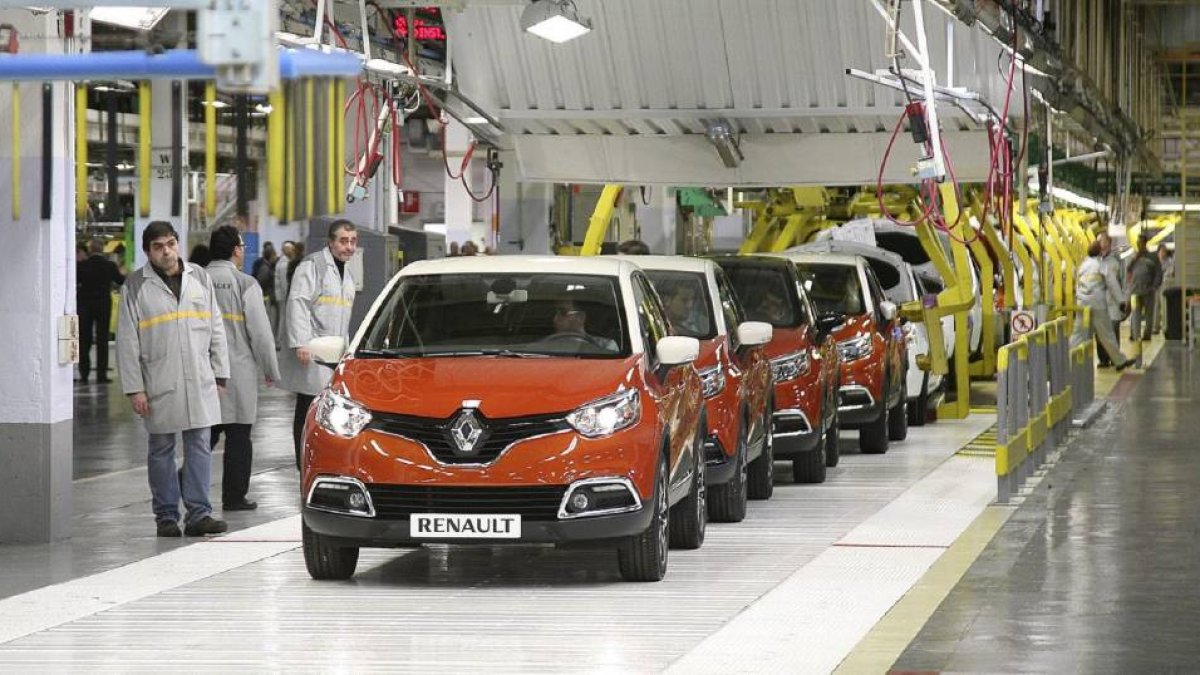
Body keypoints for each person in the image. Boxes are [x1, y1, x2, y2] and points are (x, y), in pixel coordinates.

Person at [116, 221, 230, 537]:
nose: (166, 251)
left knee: (200, 445)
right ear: (147, 251)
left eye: (170, 243)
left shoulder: (201, 279)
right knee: (162, 448)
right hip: (158, 381)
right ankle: (166, 516)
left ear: (177, 243)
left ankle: (198, 514)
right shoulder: (135, 286)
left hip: (199, 377)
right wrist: (134, 389)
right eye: (158, 246)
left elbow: (216, 328)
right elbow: (127, 342)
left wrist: (220, 373)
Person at [205, 226, 280, 511]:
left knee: (204, 436)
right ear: (236, 249)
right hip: (238, 370)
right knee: (238, 436)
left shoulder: (194, 280)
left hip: (203, 370)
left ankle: (182, 484)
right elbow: (260, 333)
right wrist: (270, 369)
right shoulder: (245, 283)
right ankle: (234, 497)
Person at [280, 221, 358, 468]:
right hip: (314, 348)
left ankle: (323, 457)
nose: (348, 247)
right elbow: (298, 303)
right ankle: (302, 461)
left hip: (335, 350)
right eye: (343, 241)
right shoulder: (313, 265)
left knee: (328, 406)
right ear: (331, 242)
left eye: (352, 241)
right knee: (307, 405)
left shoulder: (346, 272)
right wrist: (301, 343)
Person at [1071, 238, 1133, 371]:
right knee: (1106, 334)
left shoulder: (1082, 265)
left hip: (1082, 303)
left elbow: (1077, 284)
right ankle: (1119, 361)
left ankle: (1068, 359)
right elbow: (1112, 284)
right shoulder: (1101, 265)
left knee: (1078, 333)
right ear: (1099, 253)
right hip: (1097, 302)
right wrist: (1121, 302)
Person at [76, 238, 125, 384]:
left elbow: (75, 281)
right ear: (103, 249)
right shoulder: (109, 265)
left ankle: (84, 374)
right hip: (103, 305)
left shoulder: (82, 265)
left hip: (85, 304)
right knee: (102, 339)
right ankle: (101, 375)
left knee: (84, 340)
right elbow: (121, 281)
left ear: (90, 250)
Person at [543, 296, 618, 352]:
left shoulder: (606, 346)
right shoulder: (543, 346)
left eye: (563, 312)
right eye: (554, 313)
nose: (555, 318)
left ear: (580, 317)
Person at [1126, 234, 1161, 344]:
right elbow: (1128, 269)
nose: (1139, 245)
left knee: (1149, 314)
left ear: (1145, 243)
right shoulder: (1134, 257)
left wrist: (1154, 286)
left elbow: (1158, 273)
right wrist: (1136, 258)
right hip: (1135, 290)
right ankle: (1135, 334)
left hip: (1148, 290)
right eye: (1137, 243)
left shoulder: (1153, 257)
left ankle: (1147, 334)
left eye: (1140, 243)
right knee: (1135, 313)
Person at [1154, 247, 1175, 334]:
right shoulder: (1155, 262)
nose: (1163, 253)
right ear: (1158, 253)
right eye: (1162, 251)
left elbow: (1170, 273)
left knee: (1164, 306)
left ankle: (1165, 328)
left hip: (1164, 285)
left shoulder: (1169, 262)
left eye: (1165, 251)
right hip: (1155, 286)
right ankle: (1155, 327)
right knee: (1155, 307)